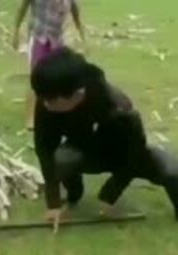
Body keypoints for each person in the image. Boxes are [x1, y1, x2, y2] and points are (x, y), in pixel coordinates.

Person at [30, 47, 178, 233]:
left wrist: (110, 195)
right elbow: (44, 148)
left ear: (77, 94)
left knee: (173, 172)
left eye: (50, 101)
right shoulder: (49, 98)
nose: (45, 105)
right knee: (62, 159)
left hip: (124, 153)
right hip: (86, 150)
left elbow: (135, 151)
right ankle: (74, 193)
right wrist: (53, 204)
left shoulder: (118, 108)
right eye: (43, 99)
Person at [12, 0, 85, 130]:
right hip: (39, 37)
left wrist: (81, 34)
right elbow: (22, 9)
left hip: (57, 40)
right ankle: (31, 119)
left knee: (57, 77)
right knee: (36, 77)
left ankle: (55, 114)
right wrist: (16, 33)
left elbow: (75, 12)